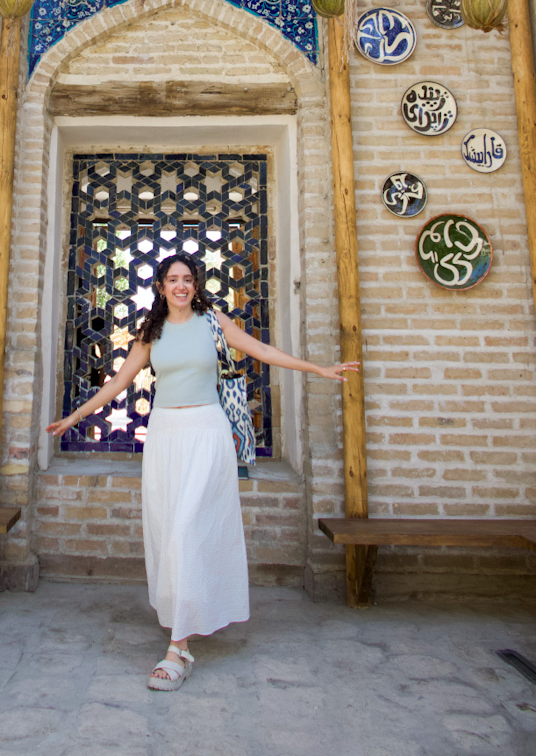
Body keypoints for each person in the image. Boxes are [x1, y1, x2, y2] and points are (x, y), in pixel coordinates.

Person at [47, 251, 360, 691]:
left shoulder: (213, 320)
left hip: (208, 432)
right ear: (160, 286)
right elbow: (118, 384)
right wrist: (74, 418)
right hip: (165, 436)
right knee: (170, 529)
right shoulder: (150, 334)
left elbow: (262, 350)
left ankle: (178, 648)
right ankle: (183, 622)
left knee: (189, 529)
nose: (181, 286)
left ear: (196, 285)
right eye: (173, 279)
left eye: (188, 279)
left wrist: (317, 369)